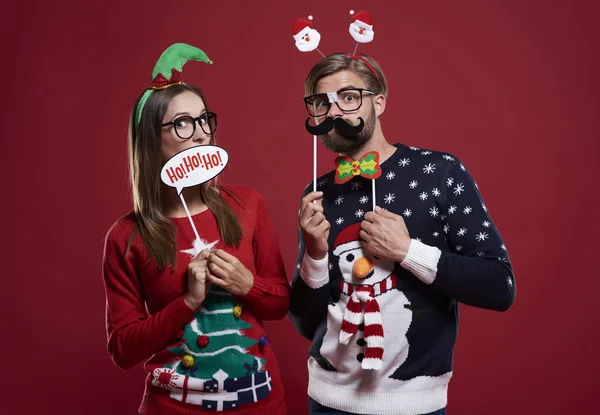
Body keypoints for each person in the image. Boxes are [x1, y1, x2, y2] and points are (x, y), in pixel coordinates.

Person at [288, 53, 516, 415]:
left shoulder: (440, 173)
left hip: (415, 404)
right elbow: (305, 323)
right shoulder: (316, 194)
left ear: (379, 101)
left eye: (348, 97)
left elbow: (499, 286)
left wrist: (408, 251)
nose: (334, 113)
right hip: (327, 401)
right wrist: (315, 255)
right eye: (321, 102)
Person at [102, 43, 290, 415]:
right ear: (151, 140)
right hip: (173, 405)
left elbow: (281, 302)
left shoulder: (247, 204)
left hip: (258, 401)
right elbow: (123, 350)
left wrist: (247, 284)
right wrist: (187, 302)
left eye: (204, 119)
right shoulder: (125, 238)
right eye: (182, 123)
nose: (201, 133)